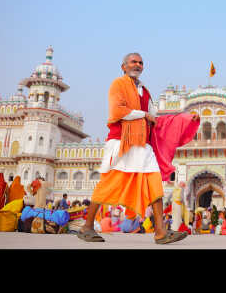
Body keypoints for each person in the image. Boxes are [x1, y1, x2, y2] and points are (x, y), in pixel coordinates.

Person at [77, 53, 199, 244]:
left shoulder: (145, 92)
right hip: (121, 141)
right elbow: (117, 111)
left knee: (154, 184)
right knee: (108, 184)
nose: (138, 65)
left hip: (143, 145)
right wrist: (144, 115)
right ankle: (87, 226)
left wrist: (183, 119)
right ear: (123, 66)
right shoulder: (118, 84)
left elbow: (155, 119)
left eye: (141, 62)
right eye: (134, 62)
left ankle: (160, 232)